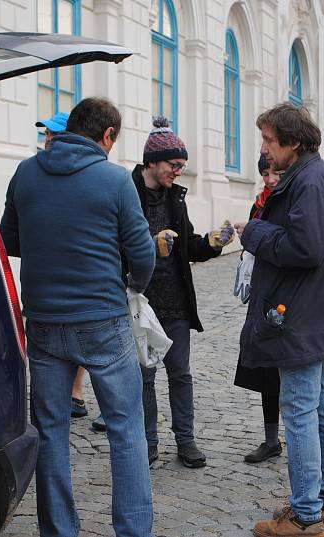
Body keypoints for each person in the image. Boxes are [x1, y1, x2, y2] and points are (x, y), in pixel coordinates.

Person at [0, 97, 156, 537]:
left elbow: (9, 238)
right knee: (126, 430)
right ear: (106, 136)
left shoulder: (27, 172)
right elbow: (142, 254)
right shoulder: (113, 179)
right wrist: (135, 288)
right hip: (103, 320)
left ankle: (59, 530)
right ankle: (133, 531)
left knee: (50, 432)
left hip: (45, 322)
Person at [235, 103, 324, 537]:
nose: (265, 149)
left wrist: (252, 233)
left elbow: (304, 249)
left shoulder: (308, 181)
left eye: (270, 140)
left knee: (303, 410)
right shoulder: (310, 175)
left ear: (293, 142)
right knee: (322, 406)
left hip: (302, 315)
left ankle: (308, 515)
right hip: (315, 312)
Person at [93, 116, 235, 470]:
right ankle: (149, 442)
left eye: (182, 166)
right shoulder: (124, 191)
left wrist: (212, 243)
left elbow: (186, 245)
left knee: (181, 374)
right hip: (140, 303)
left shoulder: (176, 198)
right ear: (153, 162)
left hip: (175, 303)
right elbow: (112, 248)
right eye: (174, 165)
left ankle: (185, 441)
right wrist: (149, 247)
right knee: (144, 376)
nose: (178, 173)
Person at [36, 110, 90, 419]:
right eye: (45, 134)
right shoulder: (34, 171)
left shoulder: (85, 173)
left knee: (77, 336)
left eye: (53, 134)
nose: (48, 139)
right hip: (48, 273)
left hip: (76, 272)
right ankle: (62, 394)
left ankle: (76, 390)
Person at [233, 154, 283, 464]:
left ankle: (303, 438)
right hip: (262, 294)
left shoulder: (290, 200)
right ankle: (270, 439)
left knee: (289, 372)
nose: (270, 179)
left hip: (284, 295)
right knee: (266, 371)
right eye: (265, 173)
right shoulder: (260, 203)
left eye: (275, 172)